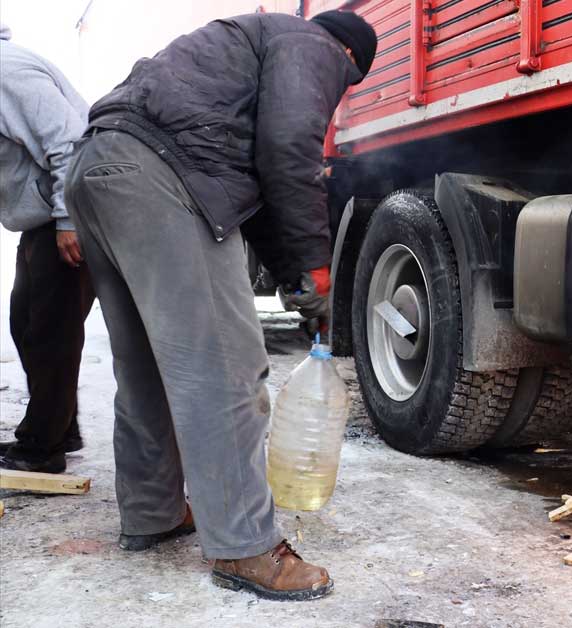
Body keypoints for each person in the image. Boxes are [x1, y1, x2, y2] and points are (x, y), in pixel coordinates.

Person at [64, 10, 376, 601]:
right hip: (161, 177)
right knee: (224, 370)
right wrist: (315, 268)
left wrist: (293, 278)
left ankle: (152, 514)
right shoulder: (311, 43)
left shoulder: (243, 46)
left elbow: (247, 199)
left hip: (98, 168)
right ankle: (244, 547)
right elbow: (288, 151)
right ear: (350, 59)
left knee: (149, 368)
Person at [0, 24, 96, 474]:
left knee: (49, 331)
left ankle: (42, 447)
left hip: (69, 214)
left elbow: (68, 140)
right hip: (43, 219)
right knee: (28, 324)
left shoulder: (6, 71)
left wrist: (68, 219)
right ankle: (61, 428)